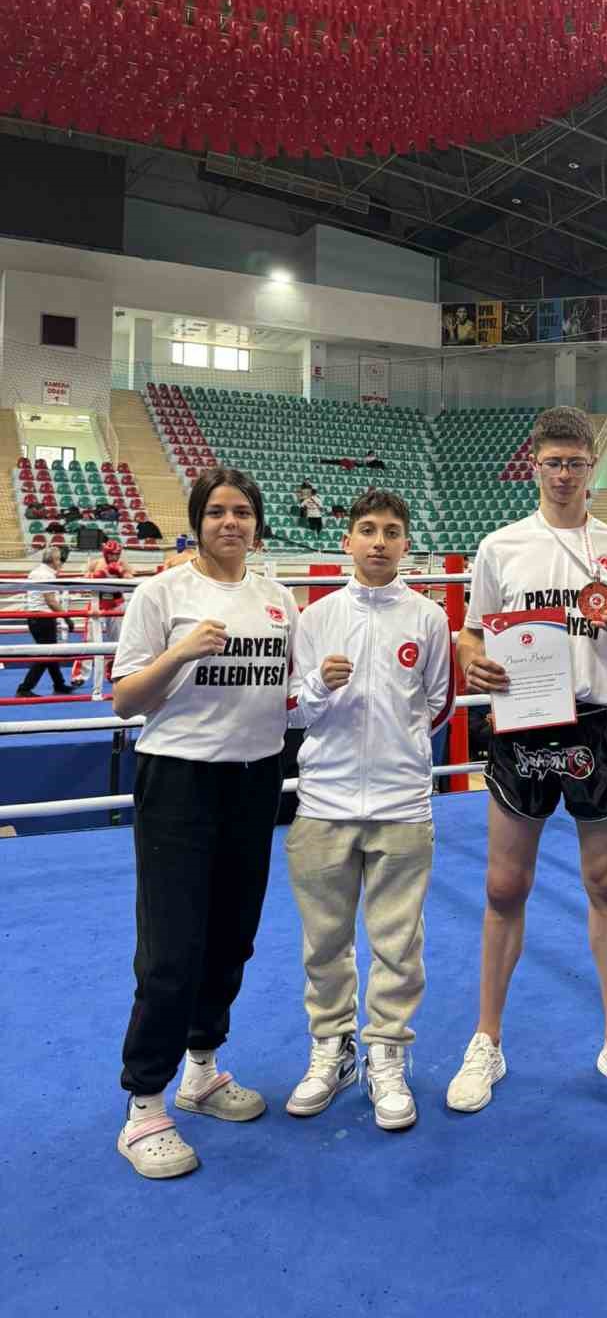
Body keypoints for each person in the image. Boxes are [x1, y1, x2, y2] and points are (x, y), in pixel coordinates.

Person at [446, 406, 607, 1114]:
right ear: (532, 465)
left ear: (593, 466)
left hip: (597, 722)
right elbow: (472, 637)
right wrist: (474, 664)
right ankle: (487, 1040)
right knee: (505, 887)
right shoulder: (500, 546)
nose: (564, 474)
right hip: (522, 726)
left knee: (606, 882)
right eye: (553, 462)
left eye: (576, 462)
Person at [110, 467, 299, 1180]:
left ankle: (201, 1068)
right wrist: (179, 653)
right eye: (217, 511)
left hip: (256, 781)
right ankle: (144, 1107)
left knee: (231, 938)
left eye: (242, 512)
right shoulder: (162, 593)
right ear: (197, 521)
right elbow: (126, 700)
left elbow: (294, 697)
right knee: (171, 947)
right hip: (180, 782)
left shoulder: (277, 598)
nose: (231, 523)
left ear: (257, 524)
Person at [284, 490, 453, 1130]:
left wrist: (402, 757)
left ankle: (387, 1049)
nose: (379, 541)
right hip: (323, 797)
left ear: (406, 544)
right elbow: (296, 708)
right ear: (346, 541)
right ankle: (331, 1046)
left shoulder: (428, 619)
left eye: (391, 531)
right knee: (324, 942)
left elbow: (434, 704)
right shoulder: (315, 616)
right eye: (366, 530)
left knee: (398, 941)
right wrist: (319, 688)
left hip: (401, 801)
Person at [70, 538, 135, 688]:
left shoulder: (123, 564)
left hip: (116, 604)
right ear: (105, 553)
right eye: (112, 554)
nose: (114, 557)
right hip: (97, 604)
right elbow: (83, 580)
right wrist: (98, 575)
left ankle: (112, 672)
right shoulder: (95, 563)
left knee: (118, 640)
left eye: (117, 554)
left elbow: (131, 579)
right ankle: (79, 675)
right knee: (90, 640)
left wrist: (121, 573)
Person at [15, 544, 72, 698]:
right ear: (53, 560)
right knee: (46, 654)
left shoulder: (37, 571)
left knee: (50, 651)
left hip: (36, 617)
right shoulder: (46, 575)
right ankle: (24, 688)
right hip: (43, 618)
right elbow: (51, 601)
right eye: (59, 559)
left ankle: (59, 684)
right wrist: (67, 618)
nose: (61, 562)